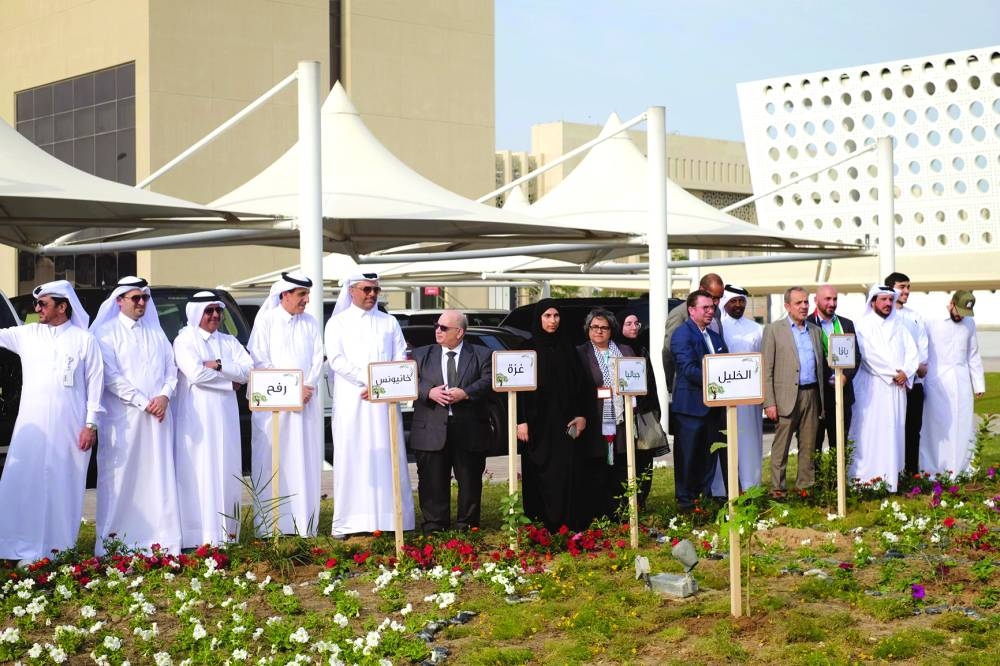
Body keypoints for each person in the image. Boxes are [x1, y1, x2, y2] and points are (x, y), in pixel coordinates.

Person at [0, 281, 103, 565]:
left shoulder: (84, 340)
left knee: (63, 486)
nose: (36, 309)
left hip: (70, 428)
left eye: (42, 304)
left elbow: (96, 385)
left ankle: (58, 549)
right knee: (22, 483)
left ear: (62, 306)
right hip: (31, 430)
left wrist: (90, 425)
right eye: (37, 304)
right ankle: (18, 547)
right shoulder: (28, 334)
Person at [91, 276, 181, 555]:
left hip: (158, 419)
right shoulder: (105, 334)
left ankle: (161, 540)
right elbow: (110, 377)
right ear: (120, 301)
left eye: (145, 298)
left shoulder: (156, 332)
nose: (141, 303)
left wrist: (165, 395)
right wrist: (145, 402)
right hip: (124, 421)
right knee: (120, 478)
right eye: (135, 298)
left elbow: (171, 369)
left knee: (158, 475)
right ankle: (116, 543)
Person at [326, 273, 415, 538]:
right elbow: (337, 360)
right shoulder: (338, 323)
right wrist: (369, 380)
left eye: (376, 289)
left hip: (384, 401)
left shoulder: (389, 322)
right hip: (353, 400)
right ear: (351, 291)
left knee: (389, 455)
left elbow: (400, 355)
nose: (372, 294)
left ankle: (392, 518)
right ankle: (349, 522)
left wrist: (382, 384)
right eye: (367, 289)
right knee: (353, 455)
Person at [173, 292, 254, 547]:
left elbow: (249, 369)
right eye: (209, 311)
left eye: (218, 311)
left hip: (226, 418)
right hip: (196, 420)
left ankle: (226, 535)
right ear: (197, 313)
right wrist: (230, 383)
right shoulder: (185, 340)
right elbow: (196, 374)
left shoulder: (229, 341)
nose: (215, 316)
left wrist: (219, 365)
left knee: (227, 469)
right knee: (198, 472)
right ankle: (197, 536)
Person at [248, 271, 325, 536]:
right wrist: (292, 389)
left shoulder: (311, 323)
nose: (306, 300)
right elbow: (259, 360)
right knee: (273, 459)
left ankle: (304, 523)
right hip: (275, 407)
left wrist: (307, 387)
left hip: (306, 402)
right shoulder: (266, 321)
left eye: (307, 295)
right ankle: (272, 527)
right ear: (285, 295)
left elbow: (318, 359)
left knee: (303, 458)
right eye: (301, 295)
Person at [409, 309, 493, 533]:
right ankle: (435, 524)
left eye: (444, 328)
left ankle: (468, 523)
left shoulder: (482, 355)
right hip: (431, 428)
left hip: (469, 427)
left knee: (470, 478)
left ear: (459, 332)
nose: (438, 330)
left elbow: (489, 381)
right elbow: (407, 380)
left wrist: (465, 393)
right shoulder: (420, 355)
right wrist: (429, 392)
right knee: (432, 479)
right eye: (437, 326)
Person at [516, 300, 589, 531]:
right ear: (539, 318)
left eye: (556, 316)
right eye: (547, 315)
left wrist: (582, 415)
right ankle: (539, 523)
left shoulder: (568, 347)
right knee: (537, 471)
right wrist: (521, 420)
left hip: (565, 423)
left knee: (566, 471)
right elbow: (516, 389)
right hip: (536, 425)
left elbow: (581, 386)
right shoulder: (526, 348)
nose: (553, 320)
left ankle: (568, 522)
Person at [849, 284, 919, 492]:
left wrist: (906, 372)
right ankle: (864, 480)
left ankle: (891, 480)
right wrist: (894, 374)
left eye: (890, 300)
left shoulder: (900, 325)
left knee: (894, 431)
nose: (888, 304)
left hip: (897, 390)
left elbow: (912, 352)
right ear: (873, 302)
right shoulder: (862, 325)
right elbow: (868, 356)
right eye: (883, 300)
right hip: (872, 388)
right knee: (869, 433)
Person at [761, 287, 825, 497]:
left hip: (811, 394)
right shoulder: (774, 330)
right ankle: (778, 488)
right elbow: (767, 368)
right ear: (787, 306)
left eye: (806, 302)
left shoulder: (815, 330)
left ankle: (805, 486)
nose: (804, 306)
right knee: (781, 445)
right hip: (785, 397)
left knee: (809, 444)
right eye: (799, 303)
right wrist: (769, 402)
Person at [670, 290, 728, 512]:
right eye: (705, 308)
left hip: (713, 409)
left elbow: (727, 364)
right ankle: (686, 503)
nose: (710, 311)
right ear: (691, 310)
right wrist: (717, 379)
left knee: (708, 457)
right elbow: (688, 368)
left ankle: (703, 500)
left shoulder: (714, 336)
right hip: (690, 409)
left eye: (712, 307)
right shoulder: (681, 334)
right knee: (688, 458)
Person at [577, 309, 636, 521]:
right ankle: (598, 512)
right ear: (588, 329)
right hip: (595, 418)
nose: (599, 331)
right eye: (595, 327)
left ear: (611, 330)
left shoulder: (626, 350)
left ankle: (621, 511)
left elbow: (638, 378)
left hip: (621, 417)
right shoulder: (580, 353)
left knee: (621, 464)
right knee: (597, 465)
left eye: (604, 327)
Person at [919, 291, 986, 478]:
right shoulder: (931, 321)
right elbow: (922, 350)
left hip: (962, 381)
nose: (960, 316)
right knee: (936, 427)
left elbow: (973, 354)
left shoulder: (969, 323)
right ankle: (933, 470)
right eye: (959, 311)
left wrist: (978, 383)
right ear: (951, 303)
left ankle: (963, 468)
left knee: (963, 424)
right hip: (936, 382)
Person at [618, 308, 667, 510]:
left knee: (645, 458)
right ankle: (626, 500)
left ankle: (641, 500)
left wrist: (655, 409)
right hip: (623, 414)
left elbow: (651, 381)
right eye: (628, 323)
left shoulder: (642, 349)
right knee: (626, 458)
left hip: (645, 413)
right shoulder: (616, 350)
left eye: (636, 323)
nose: (633, 327)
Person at [717, 284, 764, 491]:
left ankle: (750, 485)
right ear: (725, 302)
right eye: (734, 301)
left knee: (749, 440)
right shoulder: (717, 327)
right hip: (724, 395)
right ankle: (721, 489)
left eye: (741, 301)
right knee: (723, 441)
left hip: (749, 398)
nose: (738, 305)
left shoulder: (756, 328)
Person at [885, 272, 928, 476]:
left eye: (908, 287)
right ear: (890, 288)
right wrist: (898, 373)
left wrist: (908, 372)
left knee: (912, 431)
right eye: (902, 286)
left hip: (914, 384)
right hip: (890, 384)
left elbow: (922, 359)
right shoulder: (880, 318)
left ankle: (912, 474)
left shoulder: (915, 317)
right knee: (892, 431)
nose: (907, 291)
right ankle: (891, 473)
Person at [808, 284, 859, 456]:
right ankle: (818, 483)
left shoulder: (846, 324)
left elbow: (856, 356)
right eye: (827, 299)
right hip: (818, 397)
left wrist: (845, 377)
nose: (832, 303)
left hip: (842, 393)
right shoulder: (807, 324)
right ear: (816, 300)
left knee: (839, 444)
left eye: (835, 299)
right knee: (814, 444)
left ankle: (839, 482)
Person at [662, 273, 725, 393]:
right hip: (689, 388)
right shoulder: (679, 314)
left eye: (720, 298)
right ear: (701, 289)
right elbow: (668, 352)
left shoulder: (717, 313)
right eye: (714, 297)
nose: (716, 303)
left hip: (716, 386)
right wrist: (671, 384)